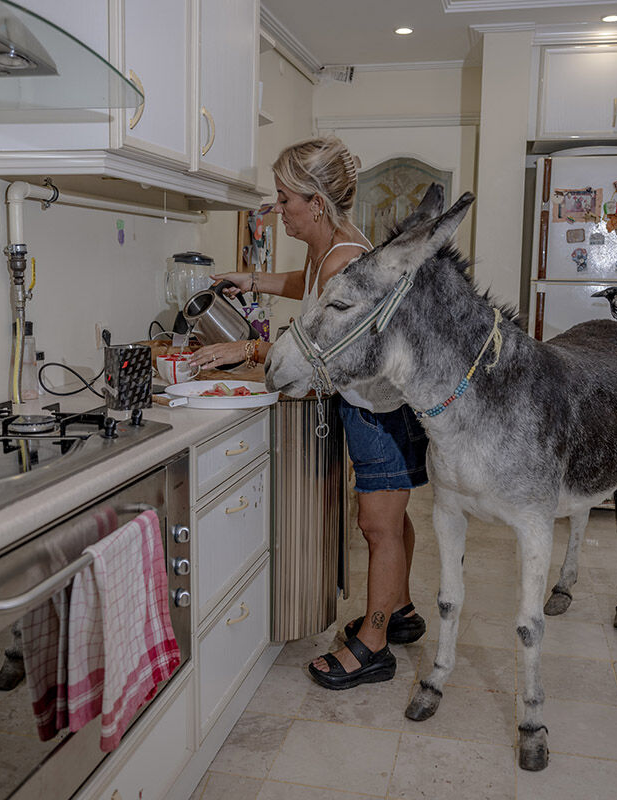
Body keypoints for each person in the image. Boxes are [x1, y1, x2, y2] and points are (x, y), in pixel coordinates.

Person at [189, 136, 428, 690]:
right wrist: (249, 280)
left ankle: (372, 648)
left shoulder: (346, 258)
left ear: (316, 203)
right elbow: (308, 288)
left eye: (284, 199)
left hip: (379, 408)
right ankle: (401, 610)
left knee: (376, 524)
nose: (278, 211)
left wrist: (245, 350)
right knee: (390, 516)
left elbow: (322, 344)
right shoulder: (329, 248)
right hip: (372, 403)